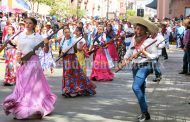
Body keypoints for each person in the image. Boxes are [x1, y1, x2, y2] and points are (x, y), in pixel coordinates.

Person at [3, 17, 56, 120]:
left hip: (34, 63)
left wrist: (46, 43)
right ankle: (22, 107)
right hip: (23, 63)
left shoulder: (38, 37)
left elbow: (45, 51)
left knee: (29, 86)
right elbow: (19, 50)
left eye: (30, 23)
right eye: (26, 23)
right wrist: (18, 58)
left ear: (34, 25)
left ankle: (25, 110)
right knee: (22, 85)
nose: (27, 25)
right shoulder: (21, 36)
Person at [122, 16, 158, 121]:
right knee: (141, 89)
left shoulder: (150, 40)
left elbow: (155, 56)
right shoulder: (134, 38)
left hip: (146, 65)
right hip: (135, 65)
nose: (137, 31)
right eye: (136, 29)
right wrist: (125, 59)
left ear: (144, 30)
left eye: (139, 29)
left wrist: (144, 52)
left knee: (135, 87)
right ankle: (145, 113)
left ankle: (144, 112)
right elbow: (130, 50)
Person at [60, 27, 96, 97]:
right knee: (67, 74)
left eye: (68, 32)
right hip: (65, 58)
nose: (67, 34)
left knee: (75, 74)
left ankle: (70, 90)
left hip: (72, 58)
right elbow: (62, 49)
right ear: (63, 33)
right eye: (65, 32)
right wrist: (62, 54)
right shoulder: (63, 40)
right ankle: (68, 90)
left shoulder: (73, 40)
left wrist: (71, 48)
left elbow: (75, 50)